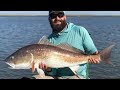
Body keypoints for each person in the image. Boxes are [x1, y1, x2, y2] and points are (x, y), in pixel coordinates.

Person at [39, 11, 100, 79]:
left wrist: (97, 57)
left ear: (65, 16)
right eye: (53, 16)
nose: (57, 18)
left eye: (60, 15)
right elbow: (53, 72)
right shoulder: (49, 41)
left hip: (78, 76)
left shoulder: (79, 31)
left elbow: (93, 52)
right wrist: (47, 68)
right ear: (49, 19)